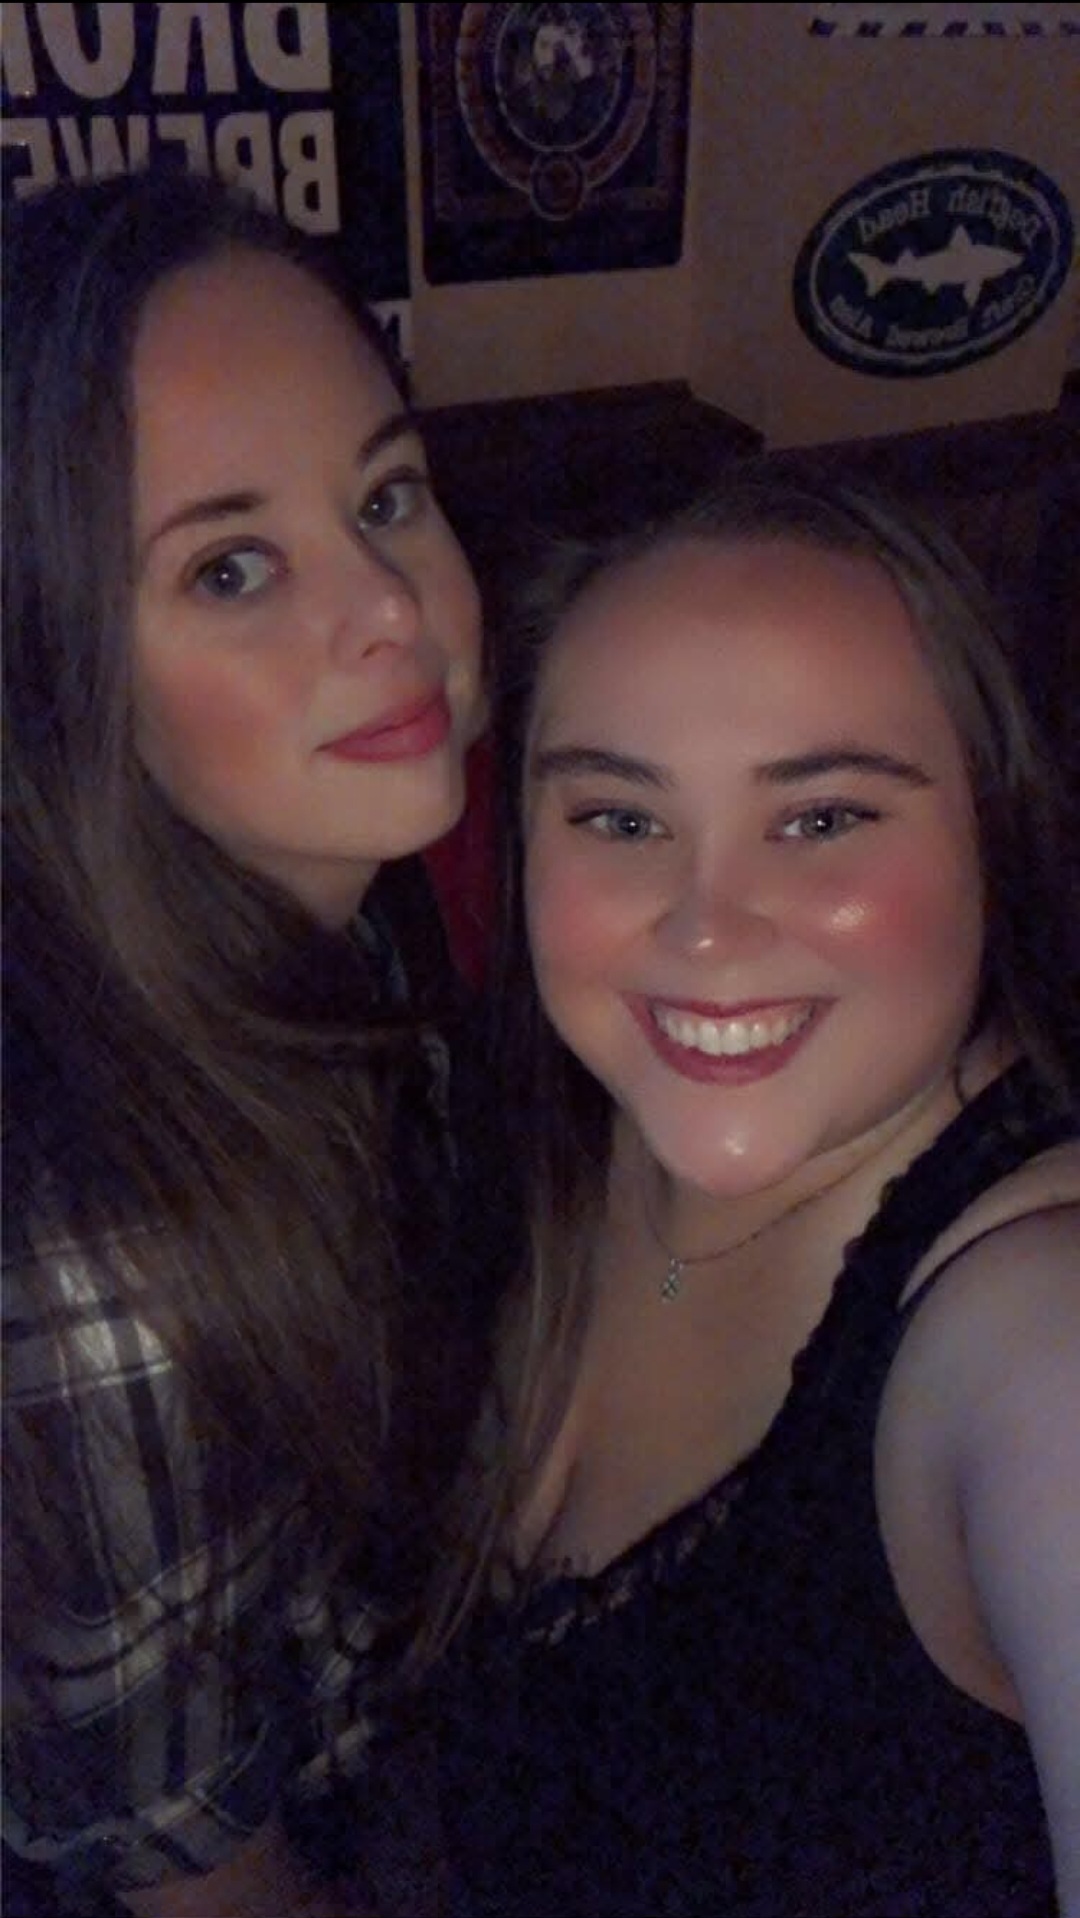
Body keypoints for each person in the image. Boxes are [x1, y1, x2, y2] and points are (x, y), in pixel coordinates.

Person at [424, 471, 1080, 1915]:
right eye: (619, 818)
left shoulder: (1034, 1326)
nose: (707, 925)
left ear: (994, 832)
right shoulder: (520, 1144)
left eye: (823, 816)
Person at [2, 167, 511, 1918]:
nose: (389, 606)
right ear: (62, 668)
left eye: (387, 494)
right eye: (231, 566)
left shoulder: (342, 907)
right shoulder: (102, 1276)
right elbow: (210, 1893)